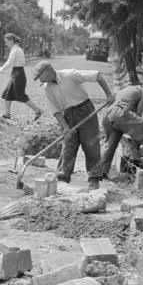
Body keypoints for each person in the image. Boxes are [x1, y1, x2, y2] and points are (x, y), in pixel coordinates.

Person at [34, 60, 115, 191]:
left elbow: (97, 75)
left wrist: (109, 94)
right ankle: (63, 179)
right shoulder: (47, 88)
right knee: (68, 147)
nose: (40, 80)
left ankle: (94, 180)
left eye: (40, 77)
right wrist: (65, 127)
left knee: (91, 145)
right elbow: (55, 110)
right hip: (67, 116)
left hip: (85, 110)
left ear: (47, 71)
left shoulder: (69, 75)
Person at [99, 79, 143, 176]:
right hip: (120, 113)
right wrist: (140, 130)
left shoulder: (129, 89)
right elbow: (139, 112)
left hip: (108, 115)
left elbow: (130, 117)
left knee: (109, 145)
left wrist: (135, 131)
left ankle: (99, 173)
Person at [0, 33, 42, 121]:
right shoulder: (16, 49)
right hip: (16, 73)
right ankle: (7, 113)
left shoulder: (15, 50)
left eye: (6, 42)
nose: (5, 44)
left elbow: (9, 63)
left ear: (11, 41)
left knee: (20, 95)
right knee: (8, 93)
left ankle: (38, 110)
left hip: (18, 74)